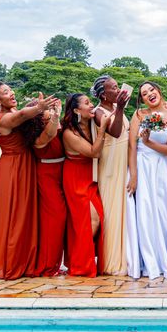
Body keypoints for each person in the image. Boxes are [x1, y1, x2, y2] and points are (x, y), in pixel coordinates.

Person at [0, 81, 56, 280]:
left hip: (26, 163)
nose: (11, 93)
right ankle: (11, 263)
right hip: (13, 168)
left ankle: (26, 261)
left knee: (26, 214)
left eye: (10, 90)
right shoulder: (5, 118)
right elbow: (23, 115)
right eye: (6, 92)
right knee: (15, 215)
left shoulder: (13, 110)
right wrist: (39, 107)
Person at [127, 82, 167, 279]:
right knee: (146, 213)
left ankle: (165, 259)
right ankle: (148, 260)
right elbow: (132, 146)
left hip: (163, 169)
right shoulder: (139, 115)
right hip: (142, 166)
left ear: (159, 91)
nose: (149, 94)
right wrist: (133, 176)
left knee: (164, 213)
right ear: (141, 99)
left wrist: (149, 141)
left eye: (151, 90)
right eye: (144, 93)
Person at [62, 93, 112, 277]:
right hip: (75, 177)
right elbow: (93, 152)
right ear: (76, 110)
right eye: (87, 103)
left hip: (90, 177)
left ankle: (84, 260)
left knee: (97, 217)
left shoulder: (89, 123)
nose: (91, 105)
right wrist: (103, 129)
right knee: (90, 221)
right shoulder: (69, 133)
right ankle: (79, 264)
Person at [19, 99, 67, 277]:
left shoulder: (52, 121)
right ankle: (47, 266)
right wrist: (54, 117)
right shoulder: (38, 137)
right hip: (47, 176)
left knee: (59, 221)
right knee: (55, 220)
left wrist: (56, 114)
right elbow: (50, 135)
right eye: (43, 110)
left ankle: (55, 262)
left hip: (62, 172)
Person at [91, 75, 131, 275]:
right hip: (110, 164)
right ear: (102, 94)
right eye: (113, 88)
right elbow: (115, 133)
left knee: (124, 209)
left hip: (123, 160)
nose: (118, 90)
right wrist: (121, 108)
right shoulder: (98, 112)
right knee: (112, 210)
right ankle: (111, 261)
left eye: (117, 87)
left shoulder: (114, 108)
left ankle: (126, 254)